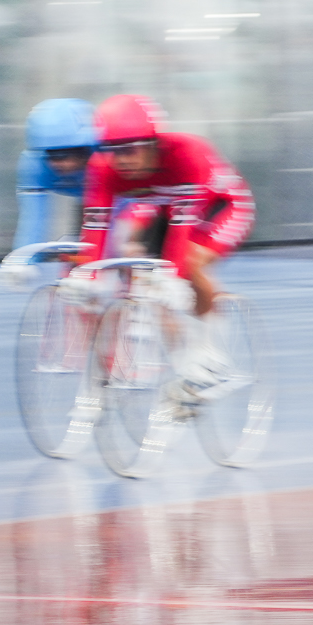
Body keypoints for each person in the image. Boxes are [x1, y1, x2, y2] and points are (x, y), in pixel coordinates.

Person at [77, 94, 255, 401]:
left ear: (153, 143)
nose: (122, 161)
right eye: (112, 152)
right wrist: (87, 277)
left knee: (186, 263)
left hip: (223, 205)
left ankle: (211, 351)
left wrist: (173, 277)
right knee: (145, 273)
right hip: (170, 208)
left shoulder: (186, 153)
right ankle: (187, 367)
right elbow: (96, 226)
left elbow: (182, 231)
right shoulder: (106, 168)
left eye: (130, 150)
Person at [14, 98, 98, 250]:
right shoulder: (35, 164)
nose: (57, 164)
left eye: (66, 155)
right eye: (52, 155)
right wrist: (22, 263)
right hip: (87, 202)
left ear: (86, 149)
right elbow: (33, 220)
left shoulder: (104, 158)